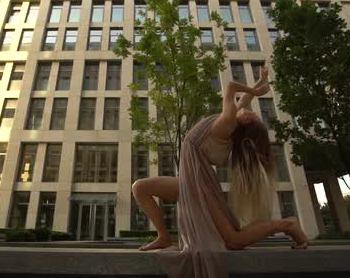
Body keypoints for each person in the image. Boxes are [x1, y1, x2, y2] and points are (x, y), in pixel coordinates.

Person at [131, 66, 307, 277]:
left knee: (233, 240)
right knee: (140, 187)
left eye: (254, 118)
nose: (252, 113)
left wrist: (256, 91)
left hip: (200, 186)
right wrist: (258, 85)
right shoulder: (234, 123)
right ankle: (163, 237)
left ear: (246, 128)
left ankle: (287, 224)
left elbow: (231, 87)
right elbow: (244, 99)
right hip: (191, 182)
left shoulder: (228, 122)